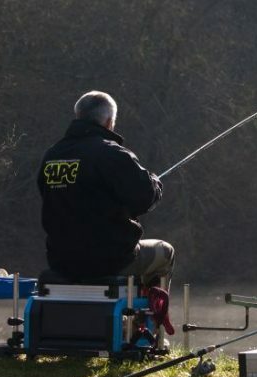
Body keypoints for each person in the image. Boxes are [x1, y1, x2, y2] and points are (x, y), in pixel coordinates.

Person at [37, 90, 175, 289]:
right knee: (166, 252)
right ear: (109, 121)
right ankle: (153, 318)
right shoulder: (111, 153)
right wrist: (155, 183)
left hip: (61, 263)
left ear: (78, 116)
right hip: (111, 261)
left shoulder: (52, 155)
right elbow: (145, 198)